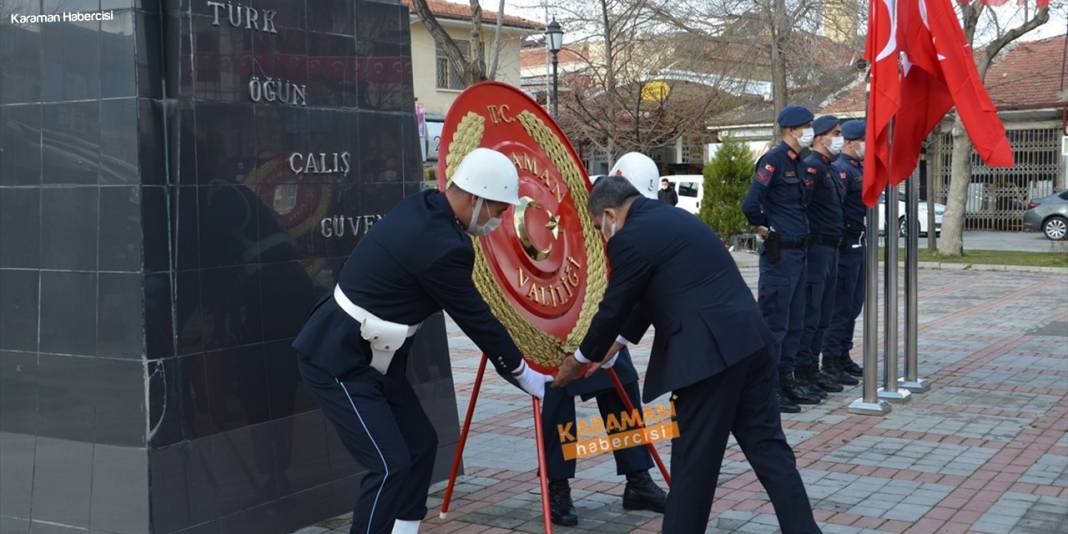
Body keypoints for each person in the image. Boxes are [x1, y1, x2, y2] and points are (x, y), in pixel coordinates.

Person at [292, 148, 553, 534]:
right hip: (339, 357)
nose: (498, 221)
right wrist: (521, 371)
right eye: (497, 210)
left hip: (379, 360)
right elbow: (476, 319)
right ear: (472, 197)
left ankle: (404, 529)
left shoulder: (427, 205)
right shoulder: (442, 246)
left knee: (421, 444)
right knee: (388, 466)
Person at [552, 176, 821, 534]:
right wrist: (617, 343)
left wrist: (580, 360)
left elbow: (614, 305)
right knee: (770, 452)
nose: (602, 234)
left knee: (692, 465)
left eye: (599, 225)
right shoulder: (669, 218)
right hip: (751, 343)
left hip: (709, 359)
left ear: (610, 214)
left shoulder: (630, 238)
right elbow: (651, 295)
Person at [542, 155, 668, 526]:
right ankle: (558, 487)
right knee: (557, 393)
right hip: (556, 317)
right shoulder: (569, 198)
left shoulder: (624, 210)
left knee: (624, 387)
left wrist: (618, 340)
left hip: (602, 316)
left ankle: (638, 480)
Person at [741, 105, 822, 413]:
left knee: (796, 320)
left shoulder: (800, 163)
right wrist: (766, 229)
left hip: (800, 252)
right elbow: (751, 204)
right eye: (807, 126)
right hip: (780, 254)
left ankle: (786, 379)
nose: (810, 132)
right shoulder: (773, 161)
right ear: (791, 130)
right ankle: (768, 386)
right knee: (775, 322)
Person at [795, 116, 853, 396]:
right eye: (836, 133)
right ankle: (803, 371)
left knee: (824, 314)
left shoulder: (826, 168)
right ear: (819, 137)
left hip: (831, 248)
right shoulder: (812, 168)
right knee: (812, 312)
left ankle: (813, 369)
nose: (839, 138)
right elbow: (801, 207)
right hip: (816, 249)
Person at [823, 120, 867, 380]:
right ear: (850, 142)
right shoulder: (841, 170)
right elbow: (837, 210)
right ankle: (831, 360)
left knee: (853, 304)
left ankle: (843, 353)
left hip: (858, 243)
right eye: (863, 140)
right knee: (840, 306)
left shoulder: (858, 168)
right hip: (845, 244)